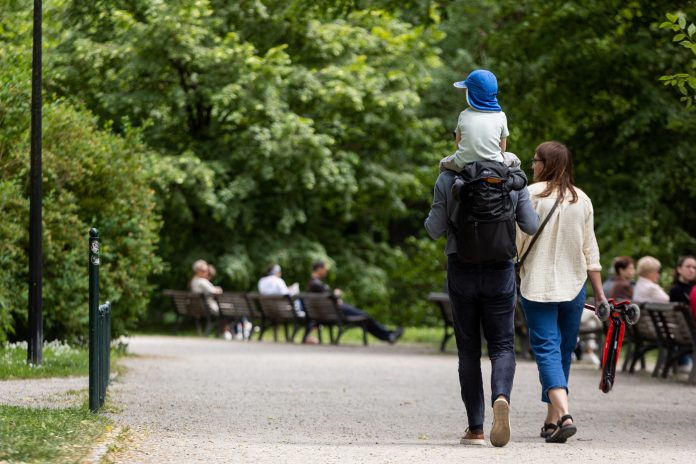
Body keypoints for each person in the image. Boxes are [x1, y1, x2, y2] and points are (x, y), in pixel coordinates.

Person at [425, 143, 539, 447]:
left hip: (461, 268)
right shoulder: (513, 176)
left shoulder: (449, 177)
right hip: (500, 268)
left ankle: (475, 429)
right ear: (500, 141)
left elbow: (434, 229)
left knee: (468, 350)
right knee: (502, 345)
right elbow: (531, 224)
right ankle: (500, 396)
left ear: (461, 139)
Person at [516, 141, 606, 444]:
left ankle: (564, 414)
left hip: (536, 286)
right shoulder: (582, 200)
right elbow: (589, 251)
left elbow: (516, 245)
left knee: (547, 350)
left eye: (535, 160)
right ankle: (551, 421)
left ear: (546, 164)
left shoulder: (529, 195)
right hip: (574, 288)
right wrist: (600, 295)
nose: (532, 165)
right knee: (563, 350)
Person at [439, 69, 521, 172]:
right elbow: (502, 148)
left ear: (472, 94)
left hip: (463, 164)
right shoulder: (501, 116)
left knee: (443, 163)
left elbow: (458, 143)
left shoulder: (463, 115)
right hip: (495, 164)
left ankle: (448, 187)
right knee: (514, 159)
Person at [306, 261, 404, 344]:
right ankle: (388, 335)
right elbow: (330, 297)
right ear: (319, 269)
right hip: (338, 311)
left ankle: (388, 335)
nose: (326, 271)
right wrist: (336, 294)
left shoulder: (312, 283)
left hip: (330, 312)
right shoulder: (316, 284)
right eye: (325, 269)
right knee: (365, 316)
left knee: (366, 317)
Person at [258, 264, 317, 344]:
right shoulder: (278, 280)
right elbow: (286, 294)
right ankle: (307, 335)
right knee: (300, 303)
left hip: (268, 310)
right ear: (277, 272)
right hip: (282, 310)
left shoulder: (262, 281)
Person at [668, 255, 696, 373]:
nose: (692, 270)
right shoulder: (677, 290)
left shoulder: (691, 289)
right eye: (688, 266)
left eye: (694, 267)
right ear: (679, 269)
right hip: (686, 332)